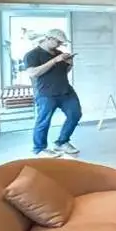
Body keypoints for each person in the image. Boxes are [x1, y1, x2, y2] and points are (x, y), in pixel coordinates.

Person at [24, 28, 82, 157]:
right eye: (58, 42)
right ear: (48, 38)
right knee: (44, 122)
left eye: (61, 43)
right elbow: (33, 73)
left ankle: (62, 142)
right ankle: (39, 148)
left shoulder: (59, 53)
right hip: (46, 94)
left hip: (65, 91)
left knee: (75, 114)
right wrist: (54, 60)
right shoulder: (32, 55)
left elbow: (63, 72)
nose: (60, 45)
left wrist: (69, 64)